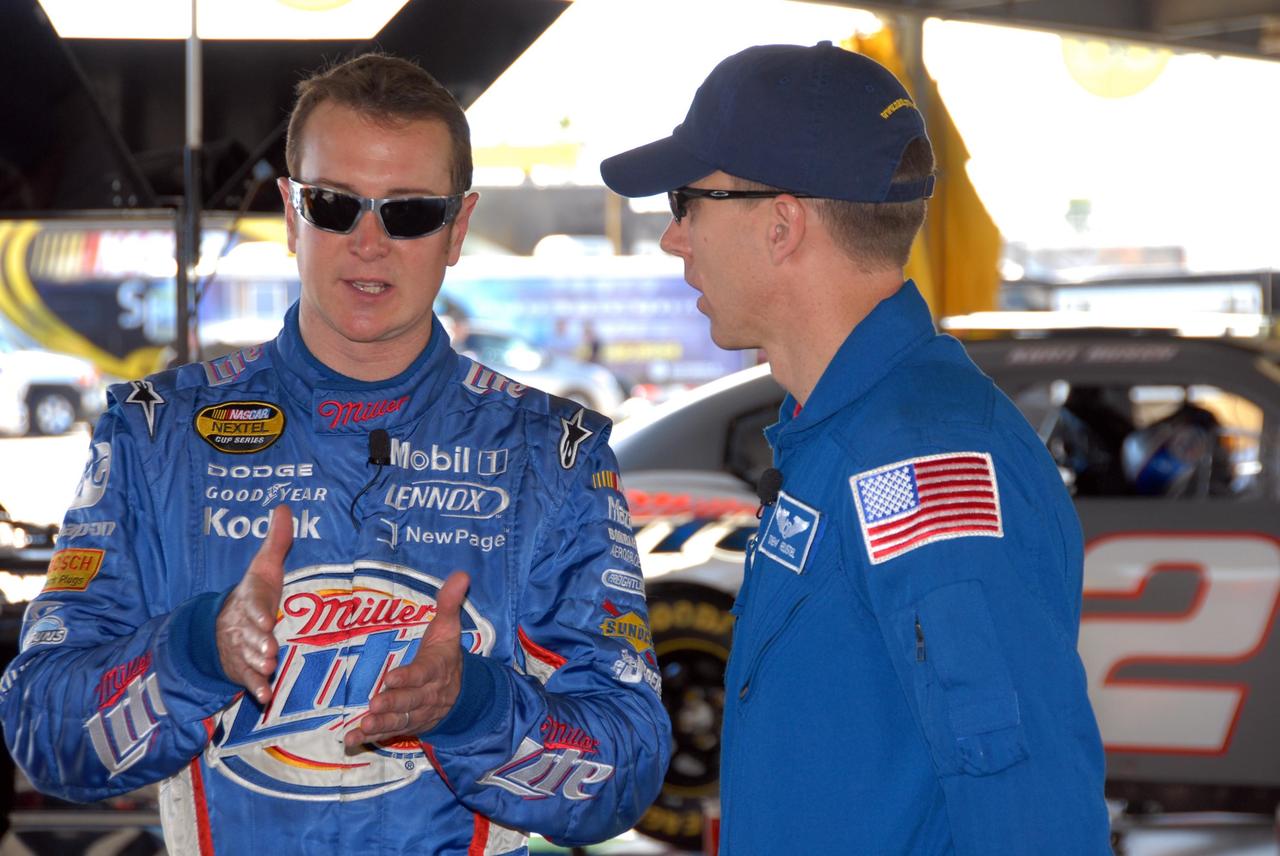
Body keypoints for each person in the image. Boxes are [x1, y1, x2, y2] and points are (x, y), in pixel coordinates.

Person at [1, 53, 669, 855]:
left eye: (411, 213)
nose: (369, 243)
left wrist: (476, 707)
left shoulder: (554, 457)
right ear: (289, 213)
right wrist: (195, 649)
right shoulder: (156, 437)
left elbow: (628, 770)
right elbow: (42, 729)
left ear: (458, 228)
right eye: (334, 204)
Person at [602, 42, 1110, 854]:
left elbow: (1025, 805)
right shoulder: (847, 436)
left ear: (781, 223)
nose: (673, 238)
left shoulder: (918, 461)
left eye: (686, 199)